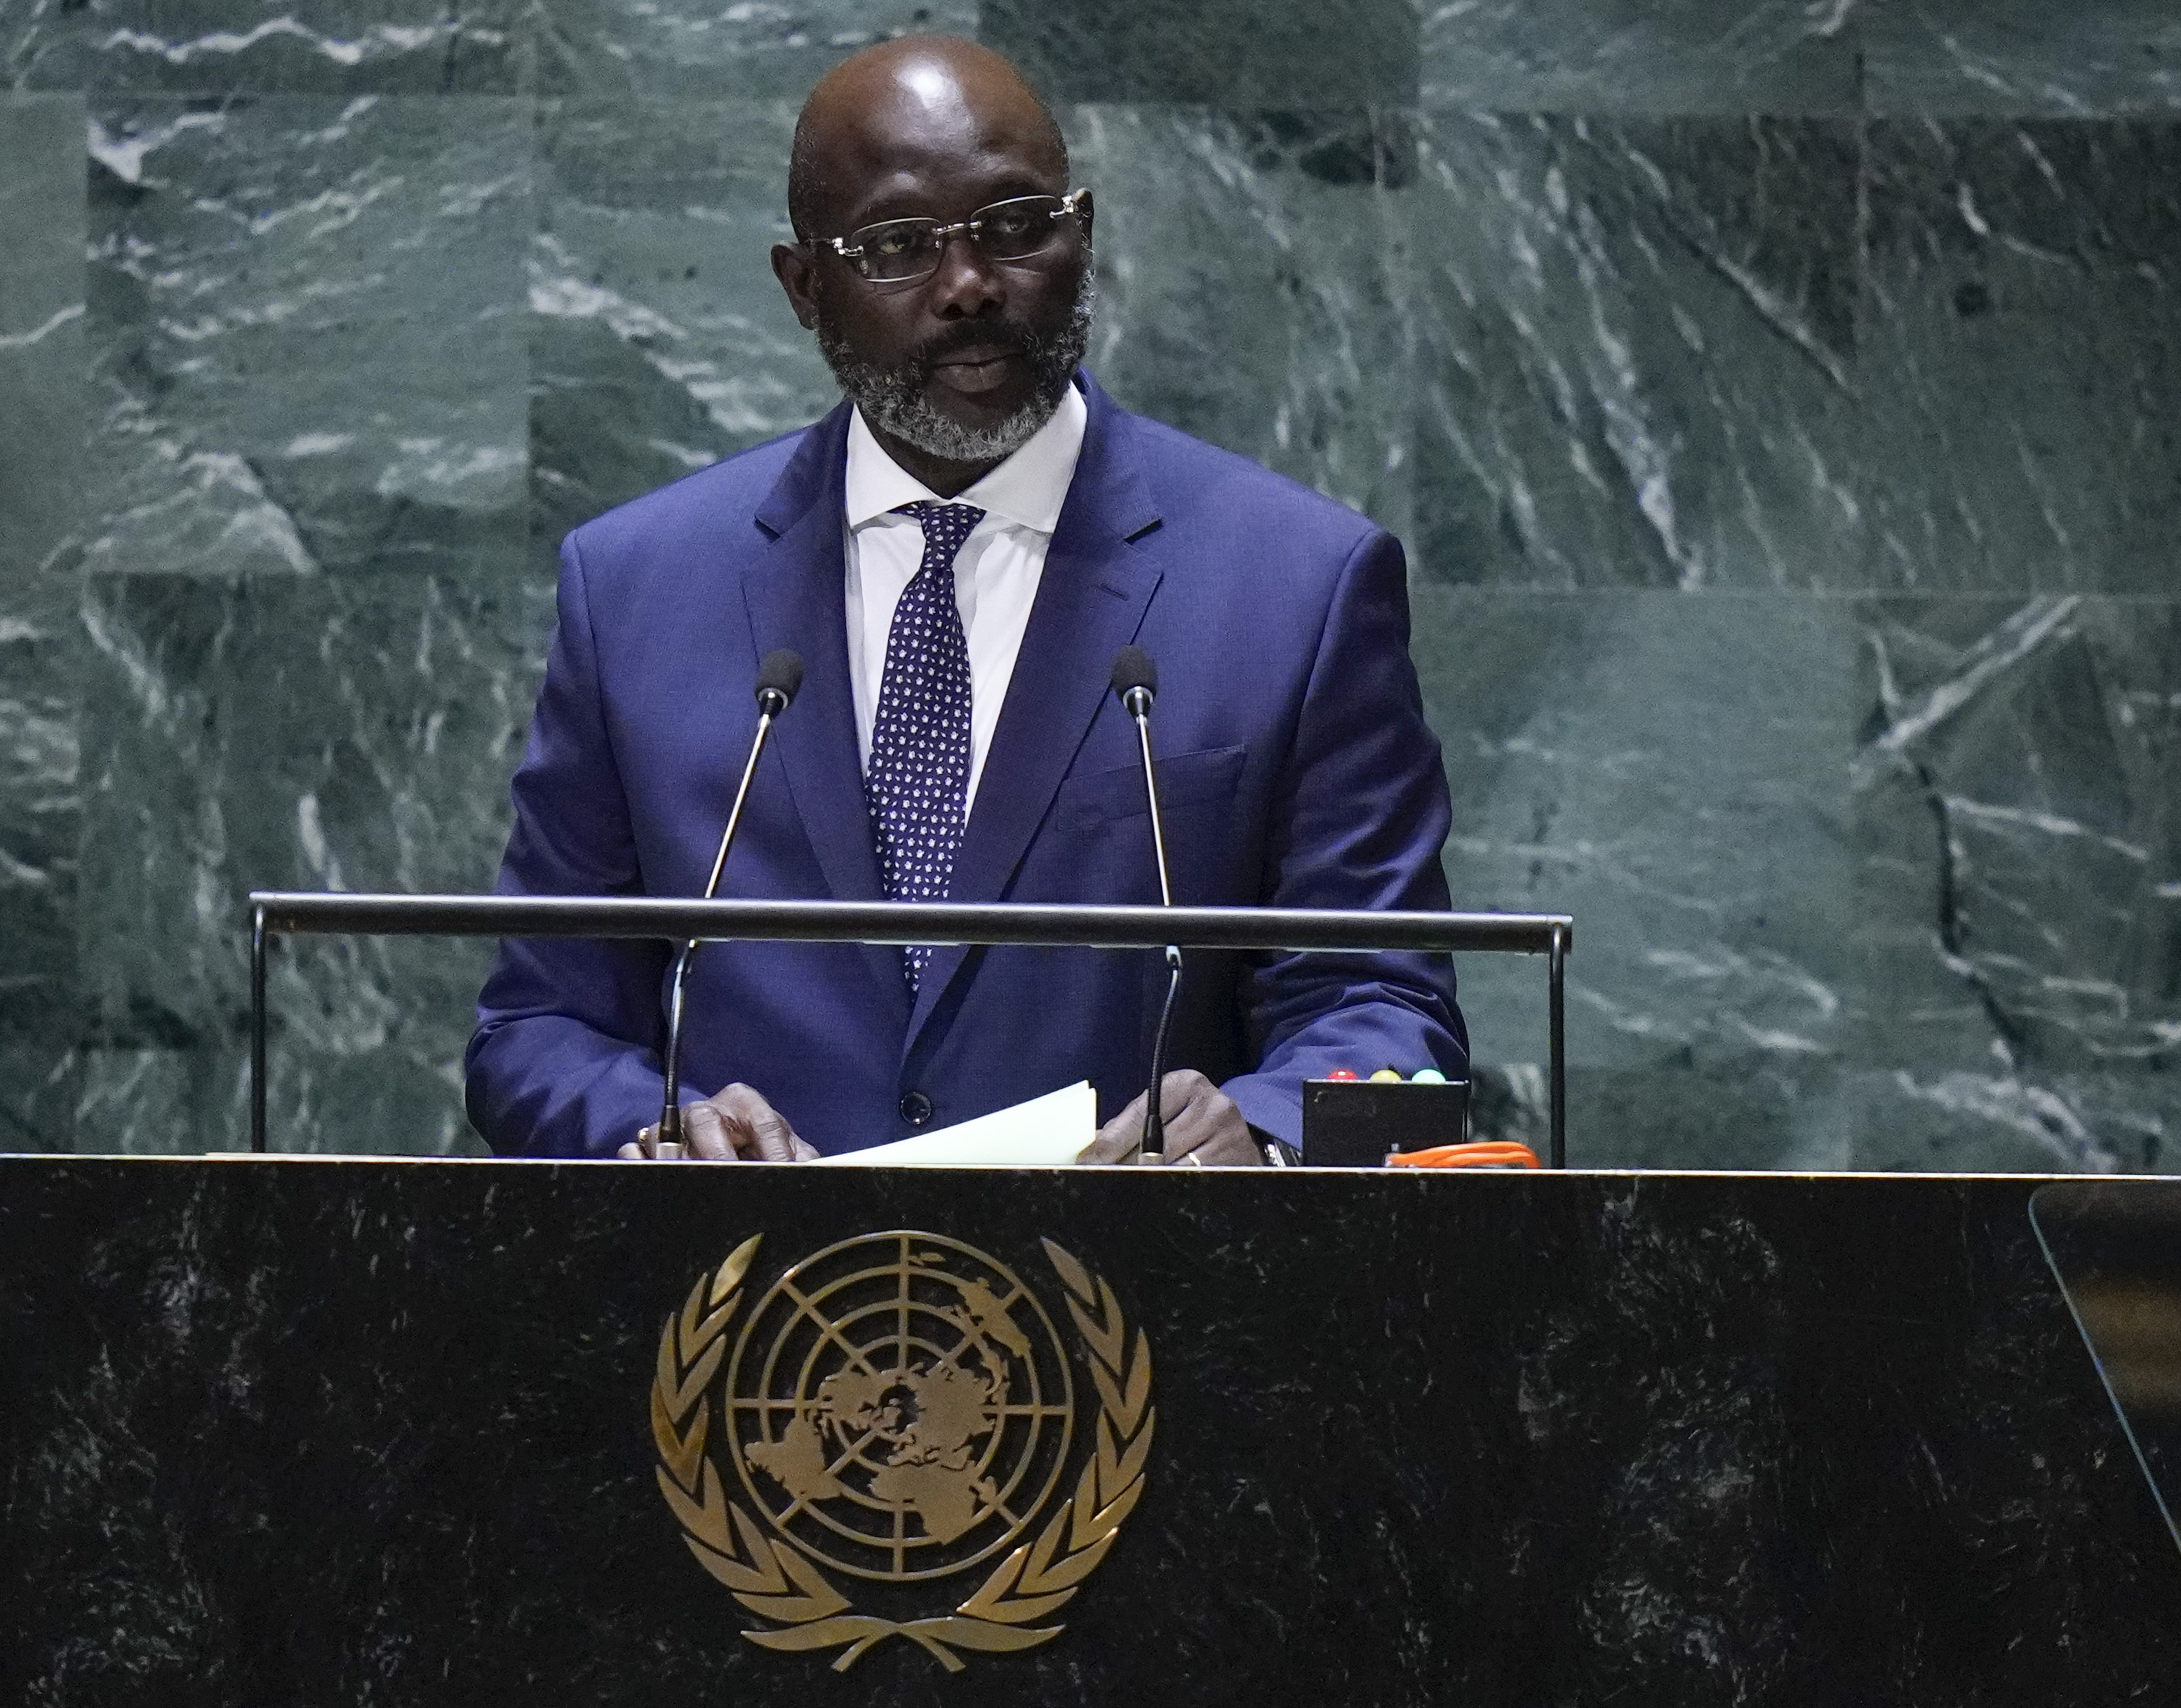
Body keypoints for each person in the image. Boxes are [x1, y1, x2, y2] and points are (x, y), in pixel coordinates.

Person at [466, 36, 1465, 1163]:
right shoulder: (637, 589)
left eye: (1016, 225)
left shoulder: (1300, 584)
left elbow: (1391, 1015)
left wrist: (1269, 1133)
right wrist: (651, 1133)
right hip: (751, 1315)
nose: (970, 286)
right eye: (897, 246)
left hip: (1154, 1308)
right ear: (804, 286)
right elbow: (541, 1025)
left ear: (1081, 234)